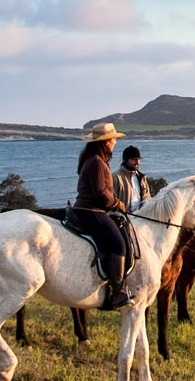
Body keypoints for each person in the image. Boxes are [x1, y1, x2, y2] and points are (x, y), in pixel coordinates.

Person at [72, 122, 131, 311]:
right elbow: (100, 193)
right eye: (113, 139)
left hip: (88, 208)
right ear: (105, 142)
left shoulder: (92, 159)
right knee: (119, 244)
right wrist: (117, 204)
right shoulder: (97, 162)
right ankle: (117, 291)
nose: (115, 142)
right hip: (92, 210)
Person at [112, 145, 150, 213]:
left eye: (138, 159)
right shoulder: (116, 177)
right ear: (125, 160)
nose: (137, 162)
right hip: (123, 217)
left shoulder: (142, 177)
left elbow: (147, 197)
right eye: (133, 159)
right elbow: (112, 200)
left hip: (141, 217)